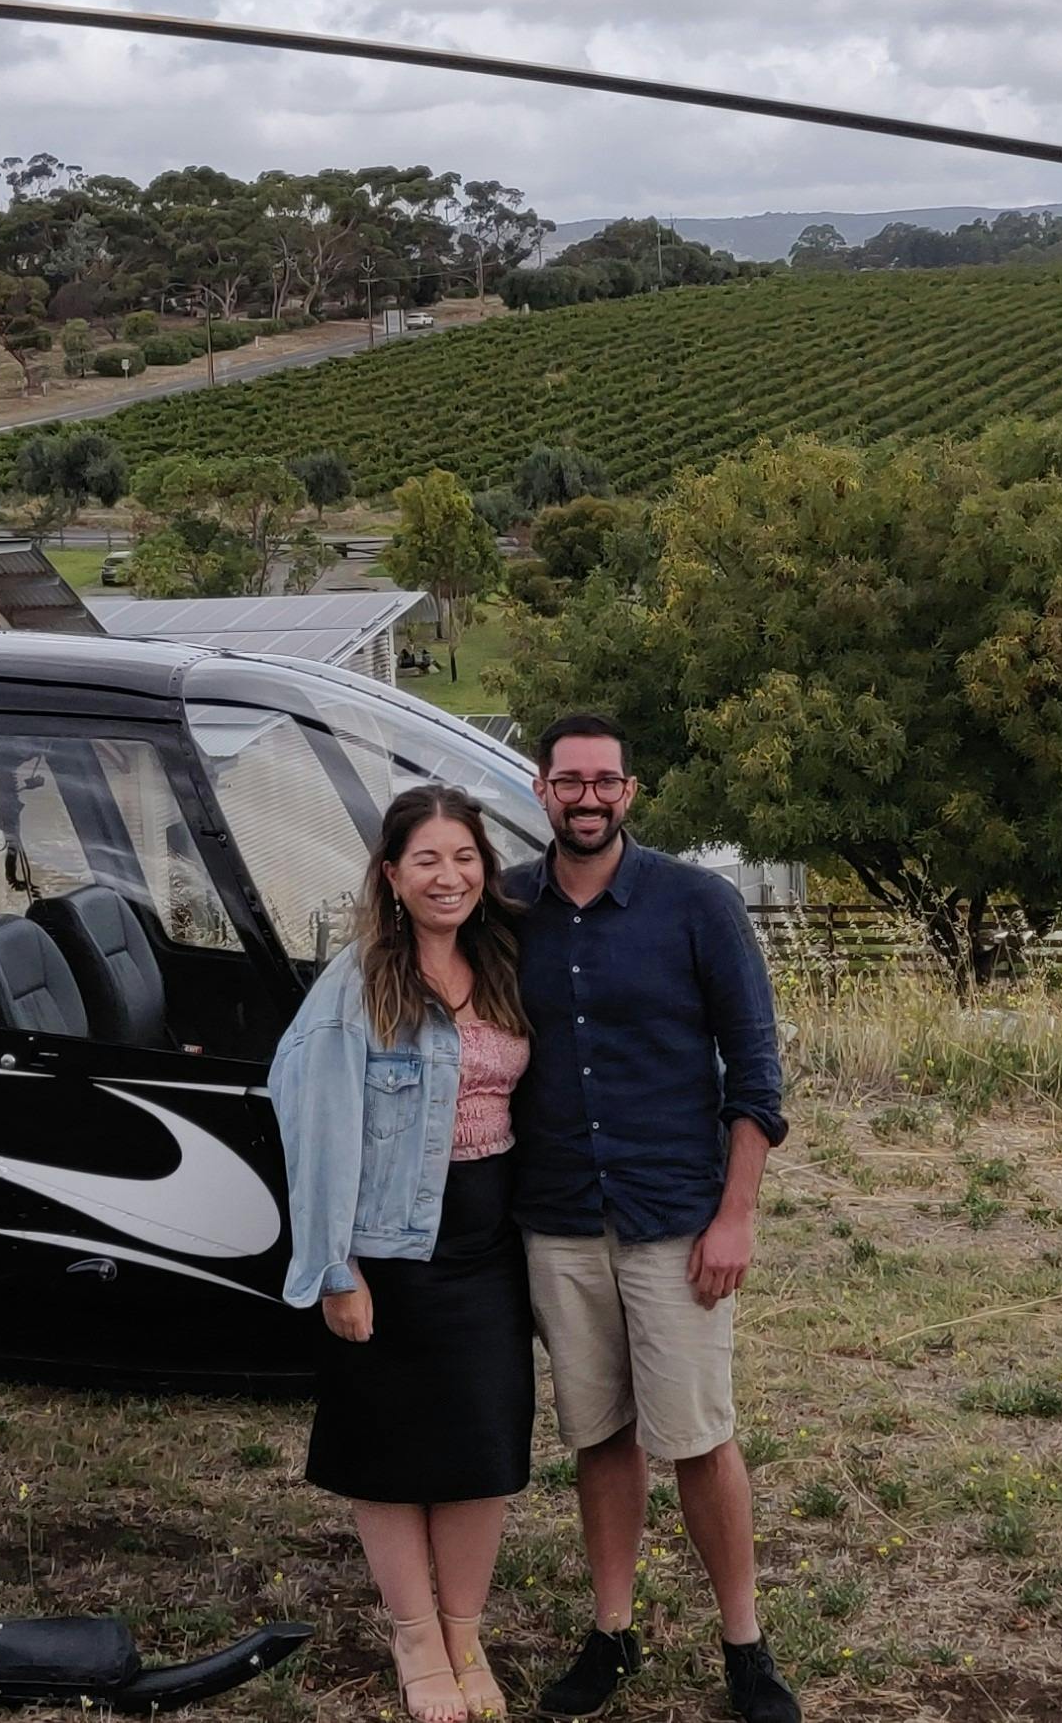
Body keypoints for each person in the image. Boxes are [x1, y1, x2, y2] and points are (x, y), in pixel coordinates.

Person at [508, 713, 795, 1723]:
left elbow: (754, 1070)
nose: (586, 798)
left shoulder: (695, 903)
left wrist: (735, 1215)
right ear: (541, 789)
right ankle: (612, 1630)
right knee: (598, 1433)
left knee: (698, 1436)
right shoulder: (507, 906)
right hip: (557, 1214)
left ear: (630, 791)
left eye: (604, 781)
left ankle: (744, 1643)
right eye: (568, 781)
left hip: (674, 1214)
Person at [268, 783, 538, 1722]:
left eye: (463, 858)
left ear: (484, 871)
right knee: (387, 1450)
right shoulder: (359, 983)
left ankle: (464, 1632)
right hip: (387, 1250)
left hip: (490, 1247)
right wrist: (335, 1269)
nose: (446, 876)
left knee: (482, 1445)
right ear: (390, 874)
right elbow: (312, 1128)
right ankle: (415, 1638)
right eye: (425, 859)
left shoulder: (501, 964)